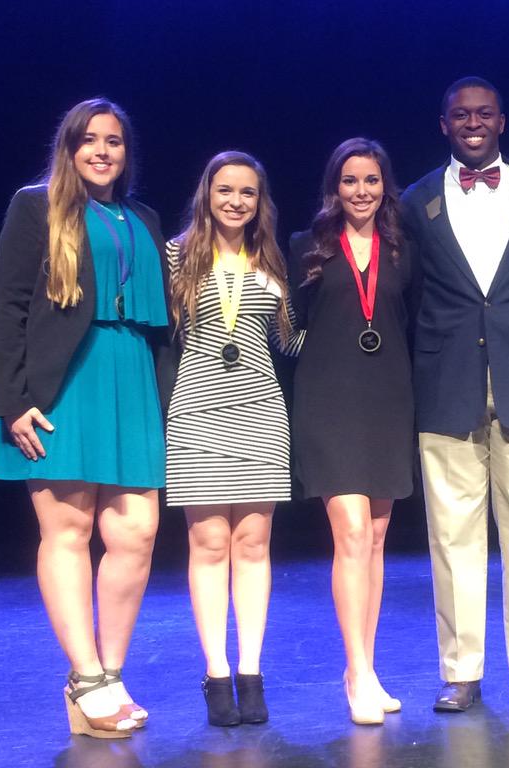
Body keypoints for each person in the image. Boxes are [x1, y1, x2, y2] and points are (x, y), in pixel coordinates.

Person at [0, 98, 170, 738]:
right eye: (89, 140)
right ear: (68, 147)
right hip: (62, 385)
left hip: (130, 377)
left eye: (114, 141)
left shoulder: (142, 216)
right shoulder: (35, 205)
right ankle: (86, 675)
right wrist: (12, 400)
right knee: (68, 530)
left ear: (126, 152)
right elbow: (7, 306)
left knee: (136, 533)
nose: (101, 150)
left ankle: (109, 674)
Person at [401, 77, 509, 712]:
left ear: (503, 120)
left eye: (484, 113)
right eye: (461, 115)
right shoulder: (413, 202)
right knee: (452, 534)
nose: (473, 123)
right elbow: (408, 291)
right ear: (444, 124)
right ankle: (461, 670)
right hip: (447, 384)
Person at [166, 151, 303, 727]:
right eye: (225, 190)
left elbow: (289, 342)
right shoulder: (175, 256)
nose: (235, 201)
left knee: (252, 545)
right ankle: (216, 671)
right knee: (208, 546)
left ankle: (251, 671)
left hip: (261, 413)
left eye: (247, 192)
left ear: (259, 201)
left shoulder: (271, 258)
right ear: (207, 193)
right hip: (196, 413)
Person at [288, 138, 414, 725]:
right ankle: (357, 671)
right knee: (352, 532)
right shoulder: (306, 248)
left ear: (384, 185)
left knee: (379, 536)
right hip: (329, 401)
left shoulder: (402, 250)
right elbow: (286, 329)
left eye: (370, 180)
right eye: (348, 181)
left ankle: (365, 667)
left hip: (388, 398)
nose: (360, 191)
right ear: (333, 188)